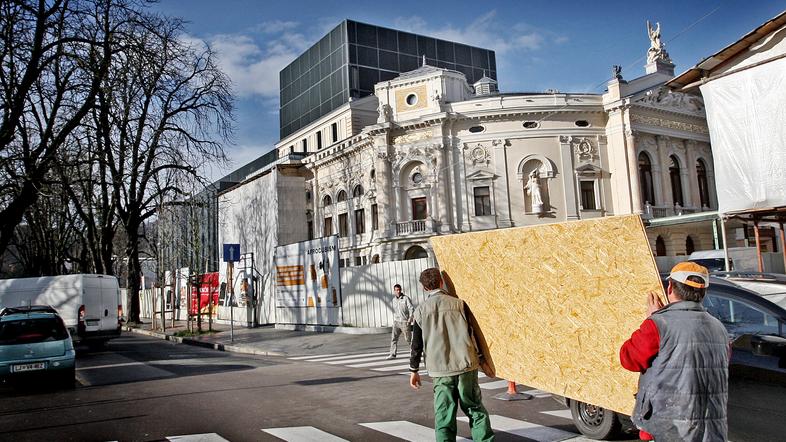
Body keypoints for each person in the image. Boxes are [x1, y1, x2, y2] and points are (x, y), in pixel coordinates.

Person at [619, 262, 729, 441]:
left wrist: (653, 318)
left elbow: (628, 358)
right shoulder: (720, 329)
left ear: (670, 287)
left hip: (669, 430)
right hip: (711, 432)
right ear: (703, 293)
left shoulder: (658, 325)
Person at [409, 268, 494, 442]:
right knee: (475, 409)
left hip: (441, 371)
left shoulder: (420, 311)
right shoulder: (459, 304)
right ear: (442, 282)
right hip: (466, 366)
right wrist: (483, 360)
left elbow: (416, 344)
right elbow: (473, 334)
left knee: (444, 417)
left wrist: (414, 370)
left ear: (424, 288)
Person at [387, 283, 414, 360]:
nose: (398, 291)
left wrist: (410, 319)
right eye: (396, 290)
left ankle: (414, 352)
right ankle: (392, 354)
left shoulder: (406, 299)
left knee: (408, 339)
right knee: (394, 338)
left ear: (401, 290)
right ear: (394, 291)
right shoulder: (394, 300)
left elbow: (411, 308)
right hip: (396, 322)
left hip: (405, 322)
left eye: (399, 290)